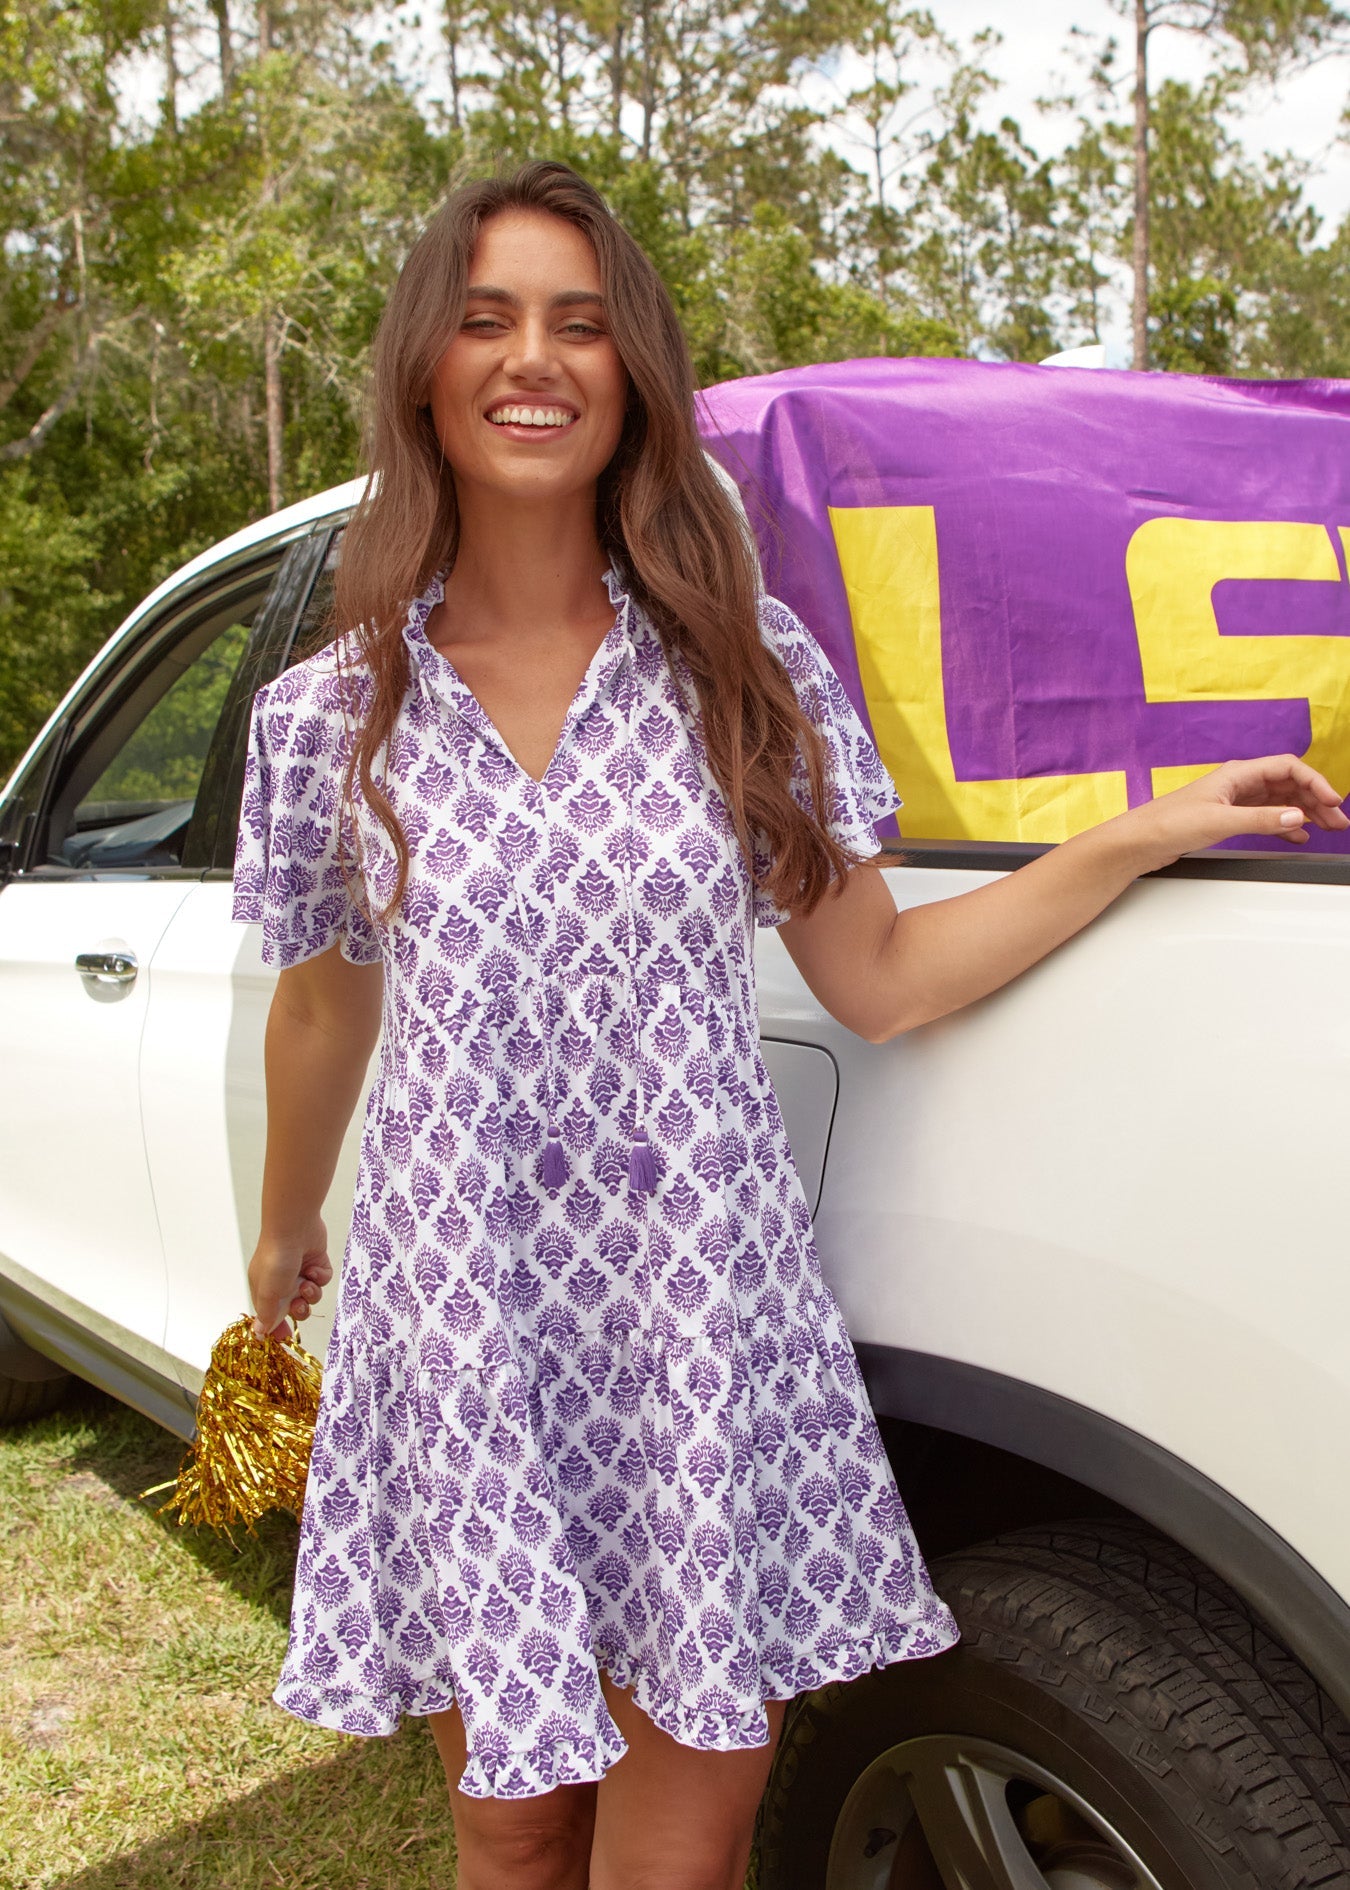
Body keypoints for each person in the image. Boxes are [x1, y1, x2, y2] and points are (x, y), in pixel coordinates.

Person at [231, 159, 1347, 1890]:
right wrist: (290, 1217)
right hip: (467, 1332)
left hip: (699, 1333)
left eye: (581, 324)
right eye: (489, 317)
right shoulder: (330, 709)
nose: (536, 358)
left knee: (692, 1838)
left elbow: (882, 977)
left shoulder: (740, 666)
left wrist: (1132, 830)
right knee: (513, 1822)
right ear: (424, 371)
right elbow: (324, 998)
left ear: (634, 378)